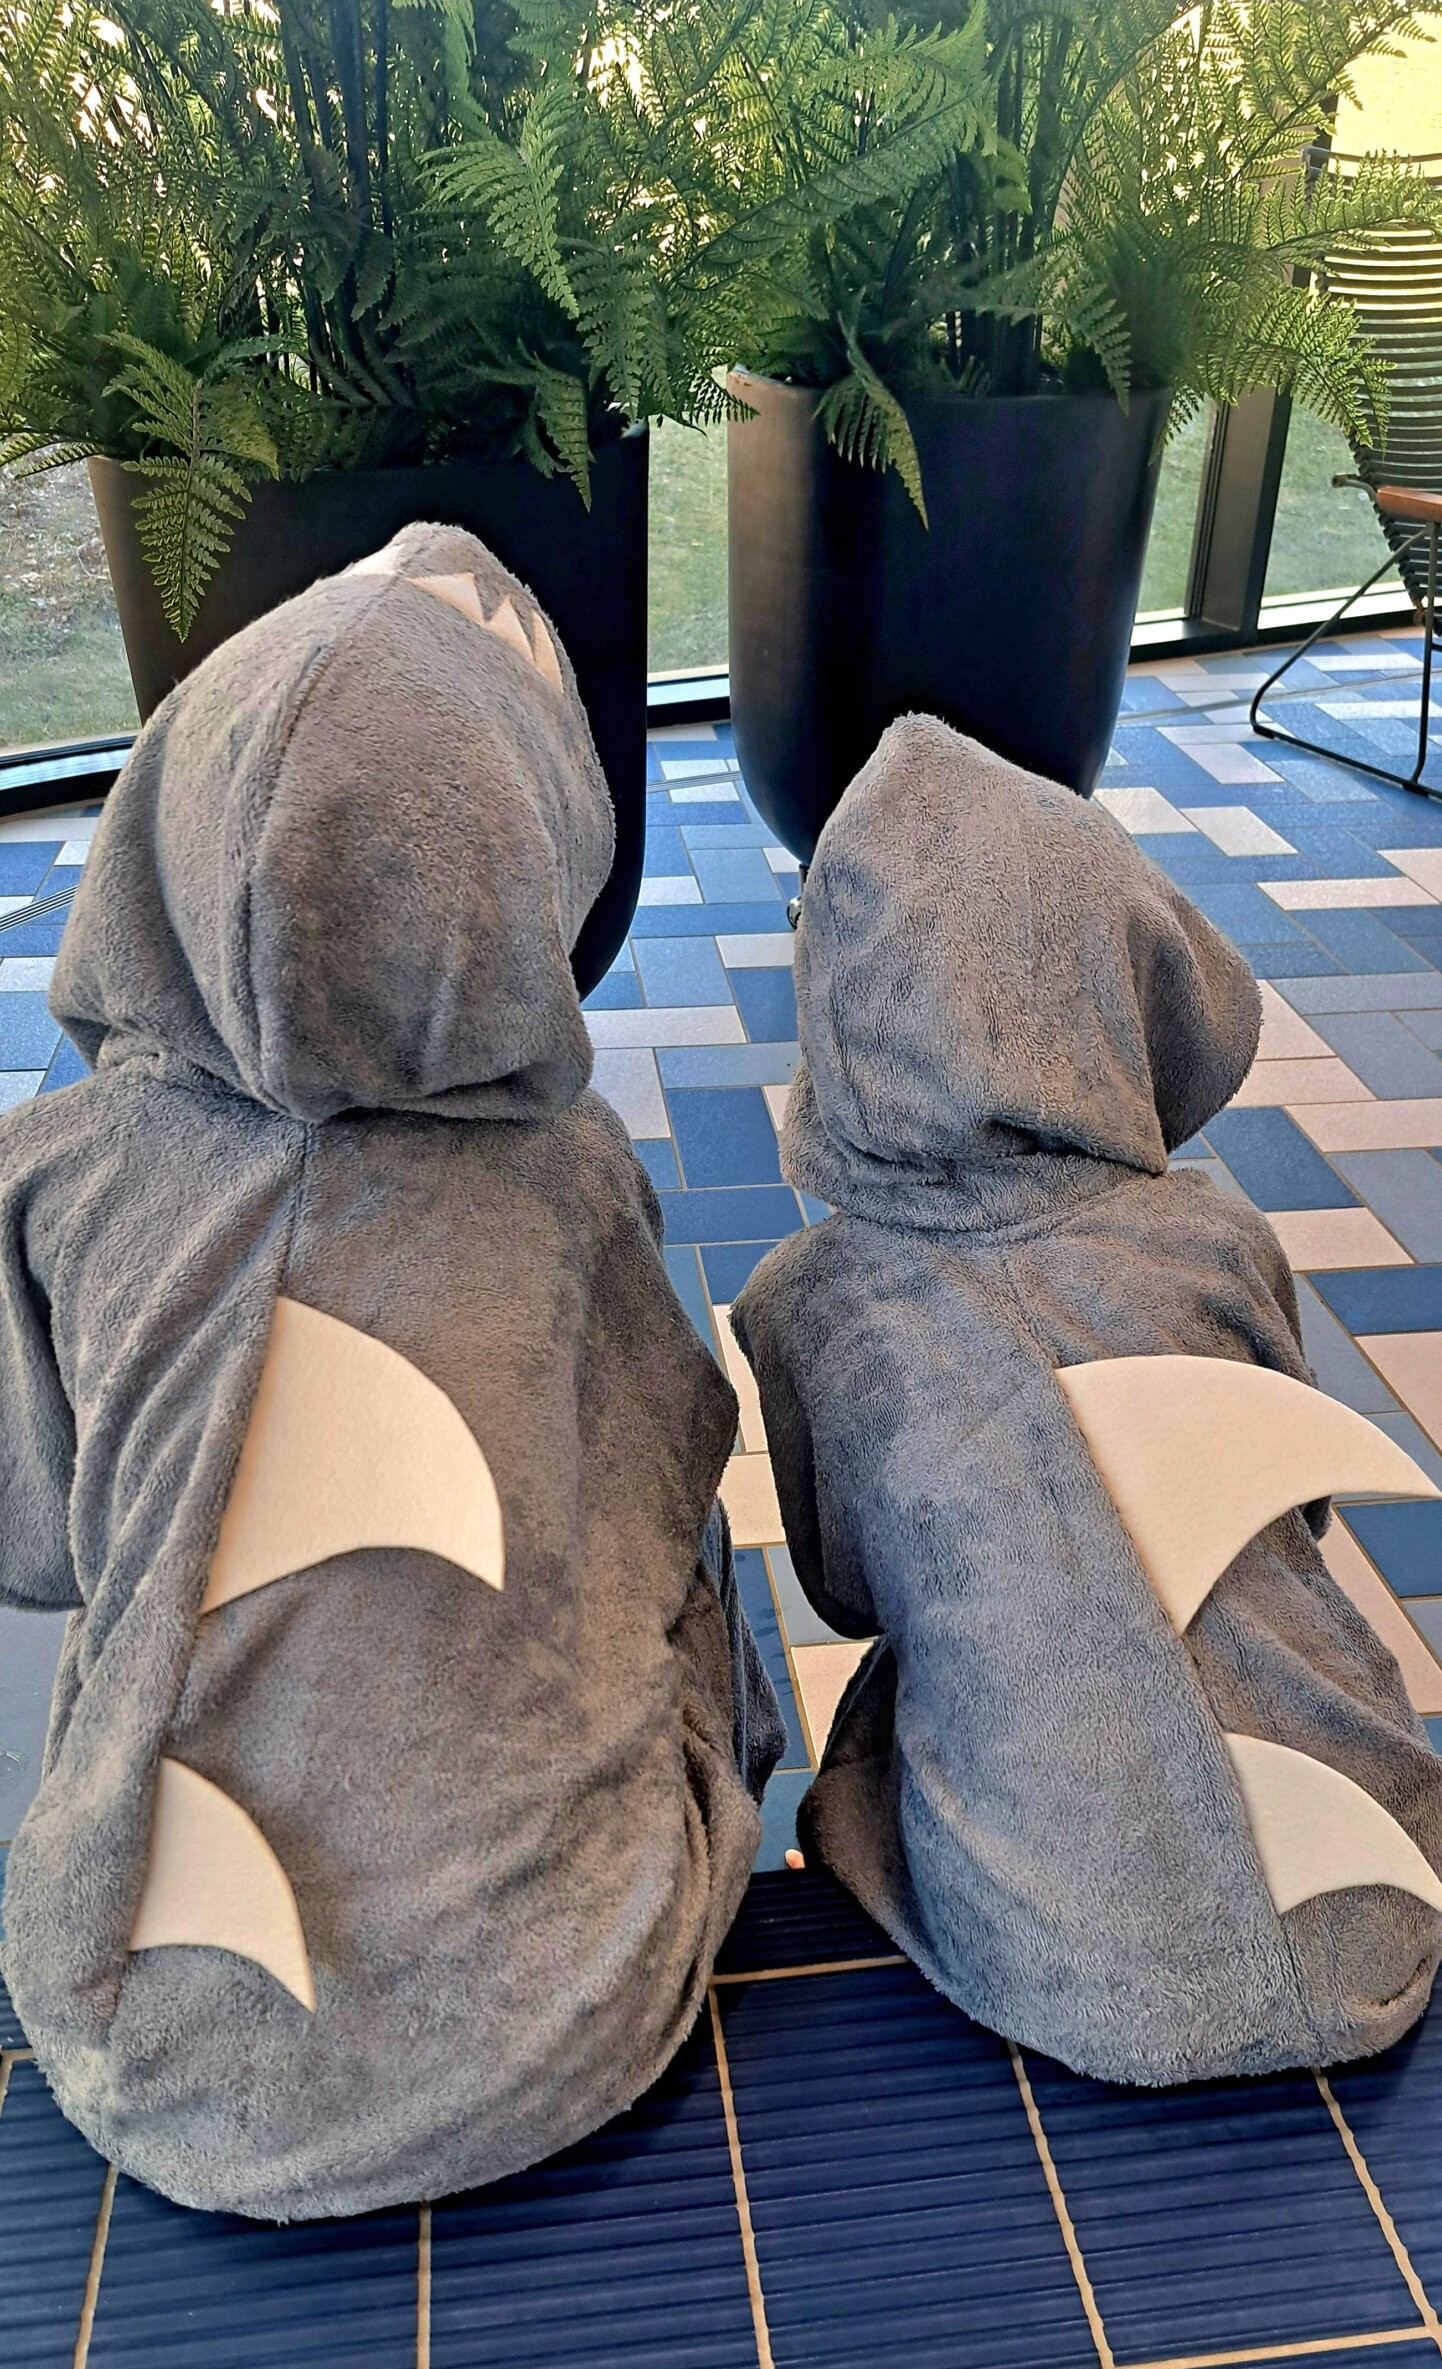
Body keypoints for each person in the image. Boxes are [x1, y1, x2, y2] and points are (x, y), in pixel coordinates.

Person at [0, 524, 781, 2218]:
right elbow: (654, 1493)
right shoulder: (569, 1182)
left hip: (138, 2040)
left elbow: (39, 1546)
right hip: (561, 2020)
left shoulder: (50, 1178)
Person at [731, 712, 1442, 2084]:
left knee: (902, 1704)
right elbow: (1297, 1521)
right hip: (1374, 1896)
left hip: (1071, 1971)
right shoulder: (1217, 1241)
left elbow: (851, 1591)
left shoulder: (804, 1306)